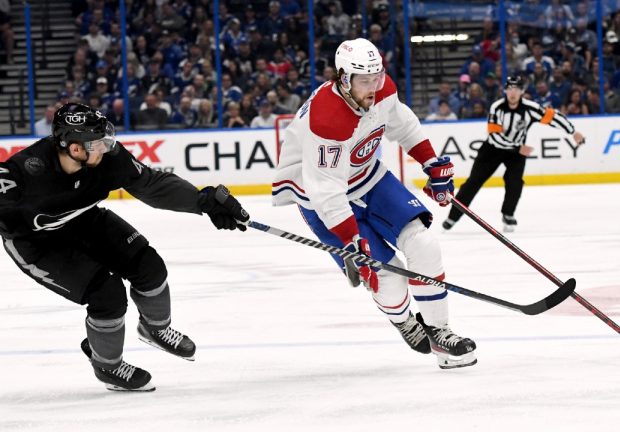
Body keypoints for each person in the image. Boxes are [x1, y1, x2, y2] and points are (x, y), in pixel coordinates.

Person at [0, 103, 250, 391]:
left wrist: (202, 201)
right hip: (38, 245)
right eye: (97, 143)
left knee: (149, 266)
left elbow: (152, 185)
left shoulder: (109, 159)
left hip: (84, 220)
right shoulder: (25, 172)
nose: (105, 148)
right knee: (107, 295)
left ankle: (155, 328)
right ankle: (108, 366)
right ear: (75, 148)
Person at [272, 38, 476, 369]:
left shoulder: (380, 87)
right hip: (321, 197)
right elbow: (326, 189)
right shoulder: (326, 118)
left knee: (423, 243)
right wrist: (353, 241)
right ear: (342, 78)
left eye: (377, 77)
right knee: (386, 277)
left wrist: (430, 162)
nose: (373, 86)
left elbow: (402, 122)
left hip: (366, 175)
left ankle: (440, 333)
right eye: (364, 80)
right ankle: (404, 320)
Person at [442, 75, 585, 232]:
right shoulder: (497, 107)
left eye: (516, 89)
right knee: (473, 182)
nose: (513, 92)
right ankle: (452, 217)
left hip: (515, 152)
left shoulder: (530, 108)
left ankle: (508, 214)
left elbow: (553, 117)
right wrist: (517, 147)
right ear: (505, 90)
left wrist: (573, 131)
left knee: (515, 182)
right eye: (510, 88)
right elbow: (494, 137)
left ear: (522, 91)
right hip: (492, 150)